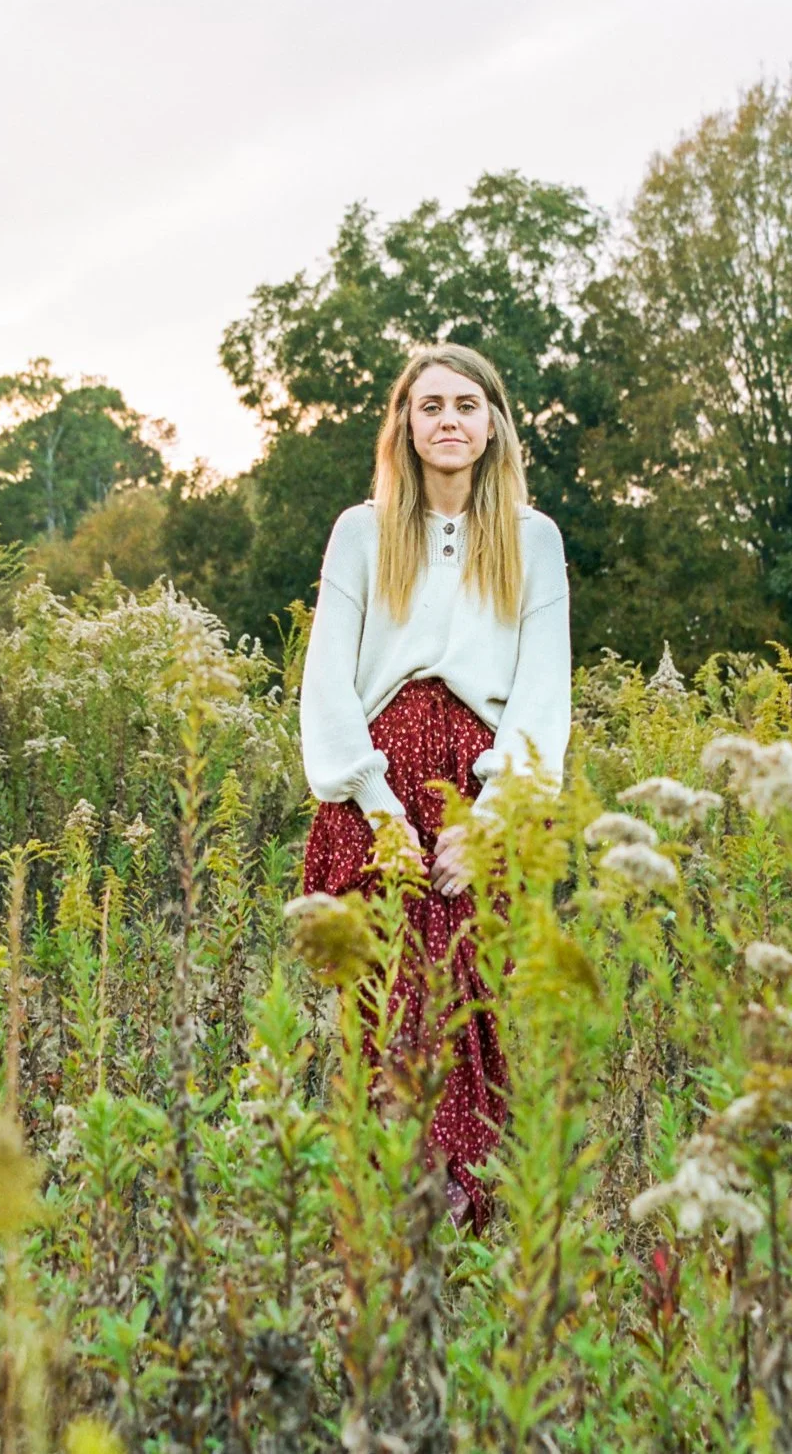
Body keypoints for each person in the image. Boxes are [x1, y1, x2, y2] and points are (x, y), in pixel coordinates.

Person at [297, 342, 572, 1230]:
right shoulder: (362, 531)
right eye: (429, 407)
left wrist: (490, 820)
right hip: (378, 785)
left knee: (466, 990)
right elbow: (328, 681)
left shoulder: (533, 541)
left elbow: (542, 692)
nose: (448, 421)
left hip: (476, 788)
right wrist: (376, 808)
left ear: (492, 423)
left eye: (465, 405)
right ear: (406, 427)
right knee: (389, 988)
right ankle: (403, 1187)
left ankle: (463, 1195)